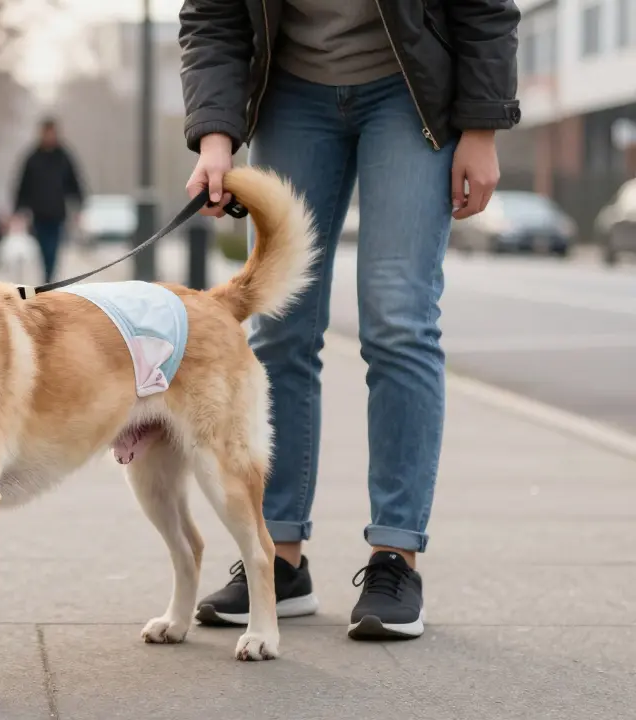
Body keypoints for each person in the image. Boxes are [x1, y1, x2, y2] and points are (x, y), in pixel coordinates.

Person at [179, 0, 520, 640]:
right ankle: (276, 558)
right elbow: (213, 15)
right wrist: (216, 137)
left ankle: (396, 556)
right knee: (280, 324)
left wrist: (482, 126)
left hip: (410, 89)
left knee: (398, 318)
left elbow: (485, 8)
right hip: (292, 90)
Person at [13, 118, 86, 284]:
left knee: (54, 248)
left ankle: (49, 278)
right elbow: (22, 185)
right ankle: (47, 277)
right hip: (38, 213)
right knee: (43, 248)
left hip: (58, 213)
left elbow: (74, 182)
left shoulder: (64, 156)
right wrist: (19, 209)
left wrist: (79, 205)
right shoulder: (32, 158)